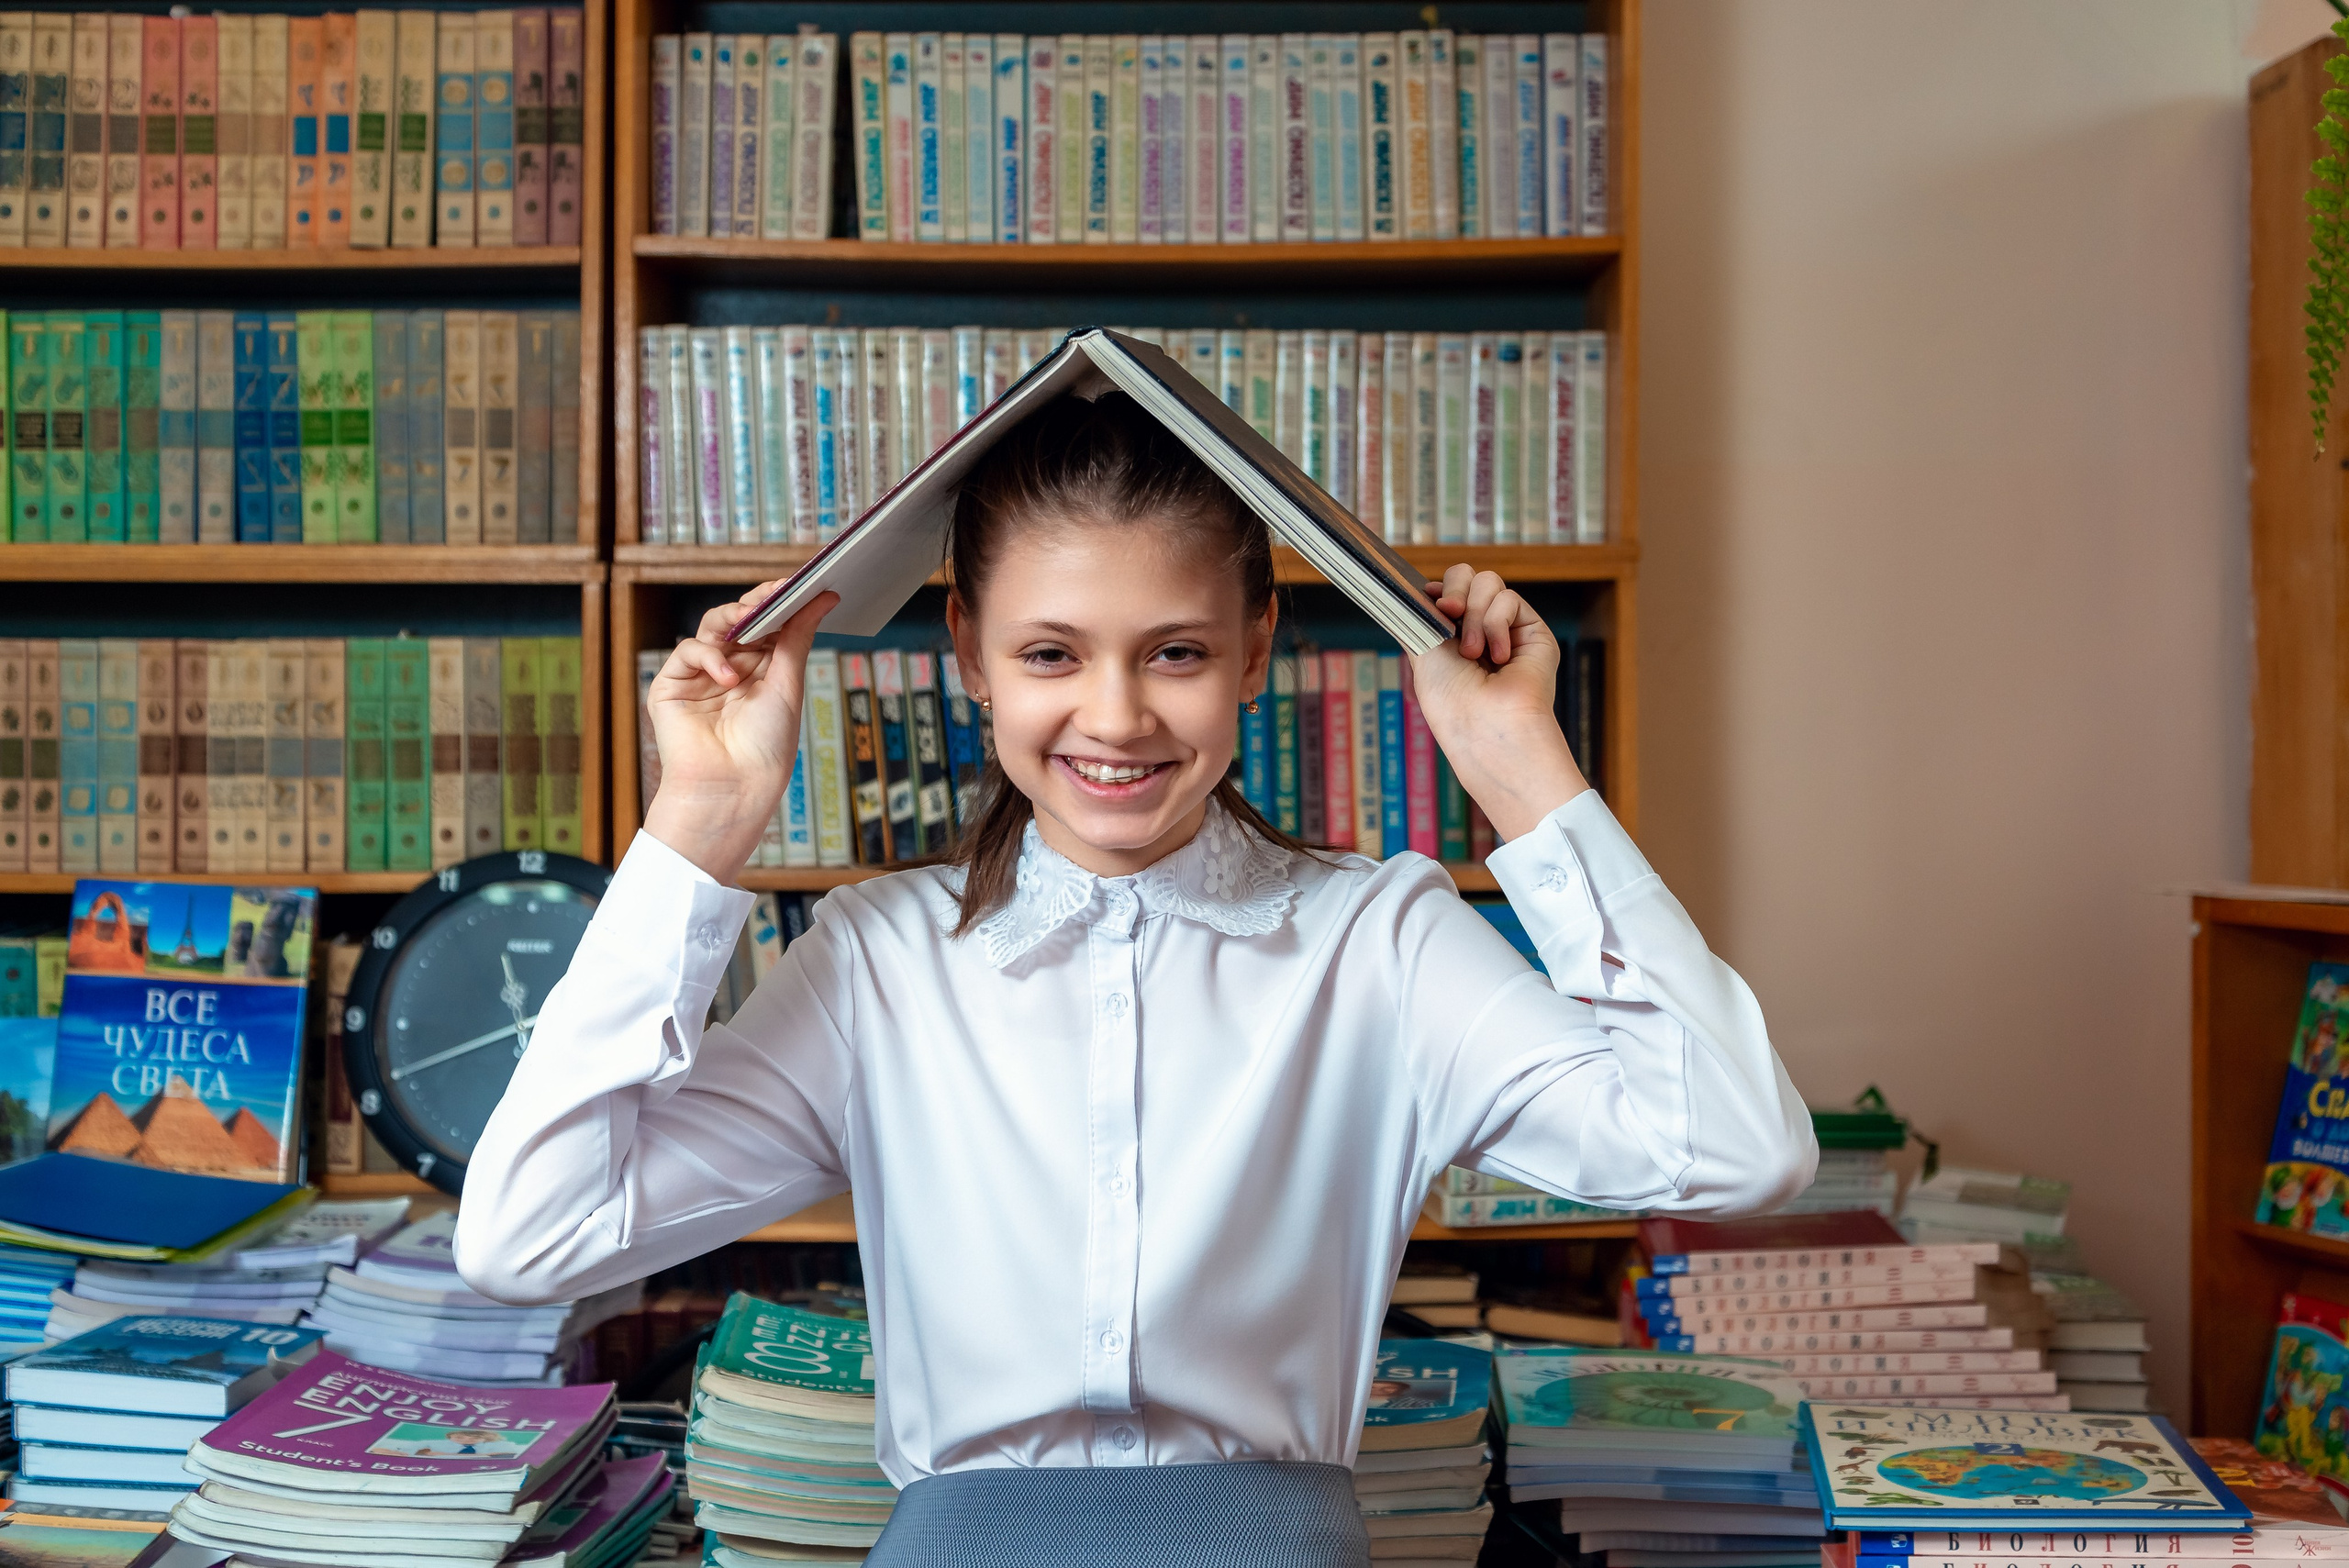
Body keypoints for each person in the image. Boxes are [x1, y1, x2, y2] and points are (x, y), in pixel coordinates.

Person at [454, 390, 1815, 1567]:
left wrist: (1529, 774)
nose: (1115, 717)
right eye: (1051, 653)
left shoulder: (1379, 943)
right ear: (968, 659)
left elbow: (1739, 1151)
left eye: (1176, 651)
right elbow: (530, 1237)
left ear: (1257, 650)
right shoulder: (878, 961)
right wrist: (700, 824)